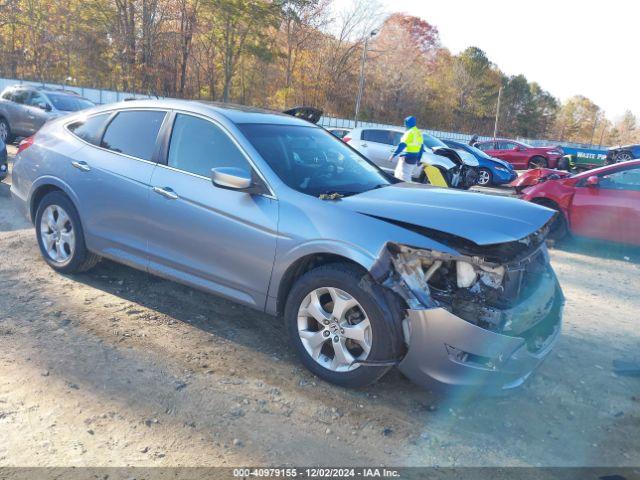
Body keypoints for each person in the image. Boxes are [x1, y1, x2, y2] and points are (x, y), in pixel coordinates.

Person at [389, 116, 424, 182]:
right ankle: (400, 188)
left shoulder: (409, 133)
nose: (405, 126)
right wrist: (418, 159)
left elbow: (402, 145)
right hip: (414, 158)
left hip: (407, 157)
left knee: (403, 176)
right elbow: (421, 148)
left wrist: (393, 155)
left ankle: (405, 189)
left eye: (405, 124)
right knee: (402, 174)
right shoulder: (419, 133)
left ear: (407, 123)